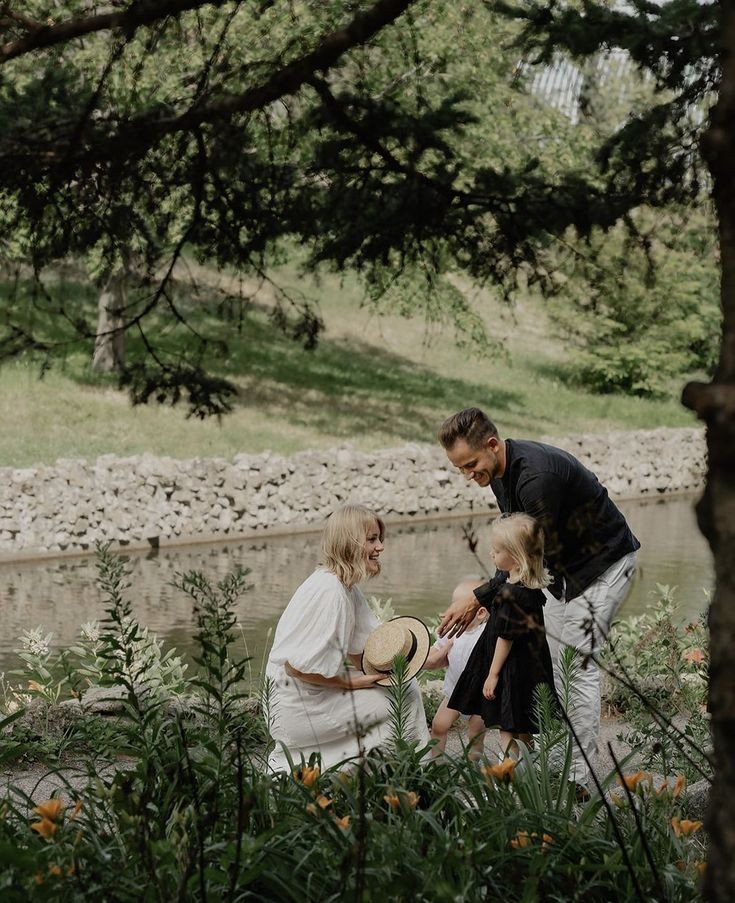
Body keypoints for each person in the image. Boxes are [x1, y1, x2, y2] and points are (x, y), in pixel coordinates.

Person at [437, 408, 640, 792]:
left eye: (471, 464)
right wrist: (484, 598)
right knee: (551, 666)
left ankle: (577, 780)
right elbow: (518, 553)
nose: (467, 474)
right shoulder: (498, 474)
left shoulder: (536, 479)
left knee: (576, 669)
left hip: (604, 566)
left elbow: (528, 556)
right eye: (459, 467)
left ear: (493, 445)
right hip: (561, 569)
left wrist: (478, 597)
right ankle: (556, 763)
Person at [265, 503, 430, 771]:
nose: (381, 547)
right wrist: (351, 684)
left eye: (380, 539)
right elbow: (295, 667)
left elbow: (367, 653)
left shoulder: (343, 587)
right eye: (372, 539)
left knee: (399, 688)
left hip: (302, 696)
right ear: (350, 543)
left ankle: (371, 774)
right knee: (405, 698)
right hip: (297, 704)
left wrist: (432, 657)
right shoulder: (330, 592)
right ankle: (407, 775)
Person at [448, 515, 557, 758]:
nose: (491, 554)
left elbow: (505, 637)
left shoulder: (511, 593)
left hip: (509, 668)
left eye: (497, 550)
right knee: (523, 725)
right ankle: (533, 771)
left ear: (516, 557)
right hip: (529, 666)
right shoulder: (530, 588)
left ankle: (508, 777)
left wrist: (493, 675)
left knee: (508, 727)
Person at [423, 579, 489, 759]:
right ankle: (435, 766)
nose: (452, 609)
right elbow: (435, 652)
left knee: (475, 735)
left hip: (479, 698)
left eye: (458, 606)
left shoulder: (485, 634)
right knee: (438, 725)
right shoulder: (450, 632)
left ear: (481, 613)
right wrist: (416, 656)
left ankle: (472, 771)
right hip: (454, 693)